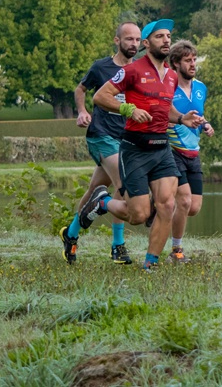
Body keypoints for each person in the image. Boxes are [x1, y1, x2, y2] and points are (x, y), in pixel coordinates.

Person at [77, 19, 205, 272]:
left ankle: (150, 264)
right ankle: (102, 203)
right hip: (135, 149)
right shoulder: (132, 70)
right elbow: (100, 96)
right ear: (147, 43)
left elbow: (165, 108)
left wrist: (182, 118)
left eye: (168, 36)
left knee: (167, 205)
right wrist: (128, 109)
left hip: (162, 149)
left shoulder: (171, 75)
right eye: (159, 36)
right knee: (139, 215)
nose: (166, 40)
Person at [61, 22, 141, 265]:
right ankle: (118, 246)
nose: (134, 44)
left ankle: (71, 234)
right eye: (129, 39)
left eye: (138, 40)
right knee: (123, 186)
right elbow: (80, 89)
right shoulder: (101, 67)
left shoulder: (139, 70)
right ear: (117, 41)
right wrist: (82, 111)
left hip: (126, 138)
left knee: (95, 188)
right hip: (101, 135)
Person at [165, 39, 215, 263]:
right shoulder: (168, 87)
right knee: (184, 201)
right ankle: (176, 251)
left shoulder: (201, 88)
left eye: (194, 59)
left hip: (193, 153)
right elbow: (162, 115)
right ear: (176, 63)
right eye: (187, 60)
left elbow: (197, 114)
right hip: (172, 150)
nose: (193, 64)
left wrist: (206, 124)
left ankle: (160, 207)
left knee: (193, 207)